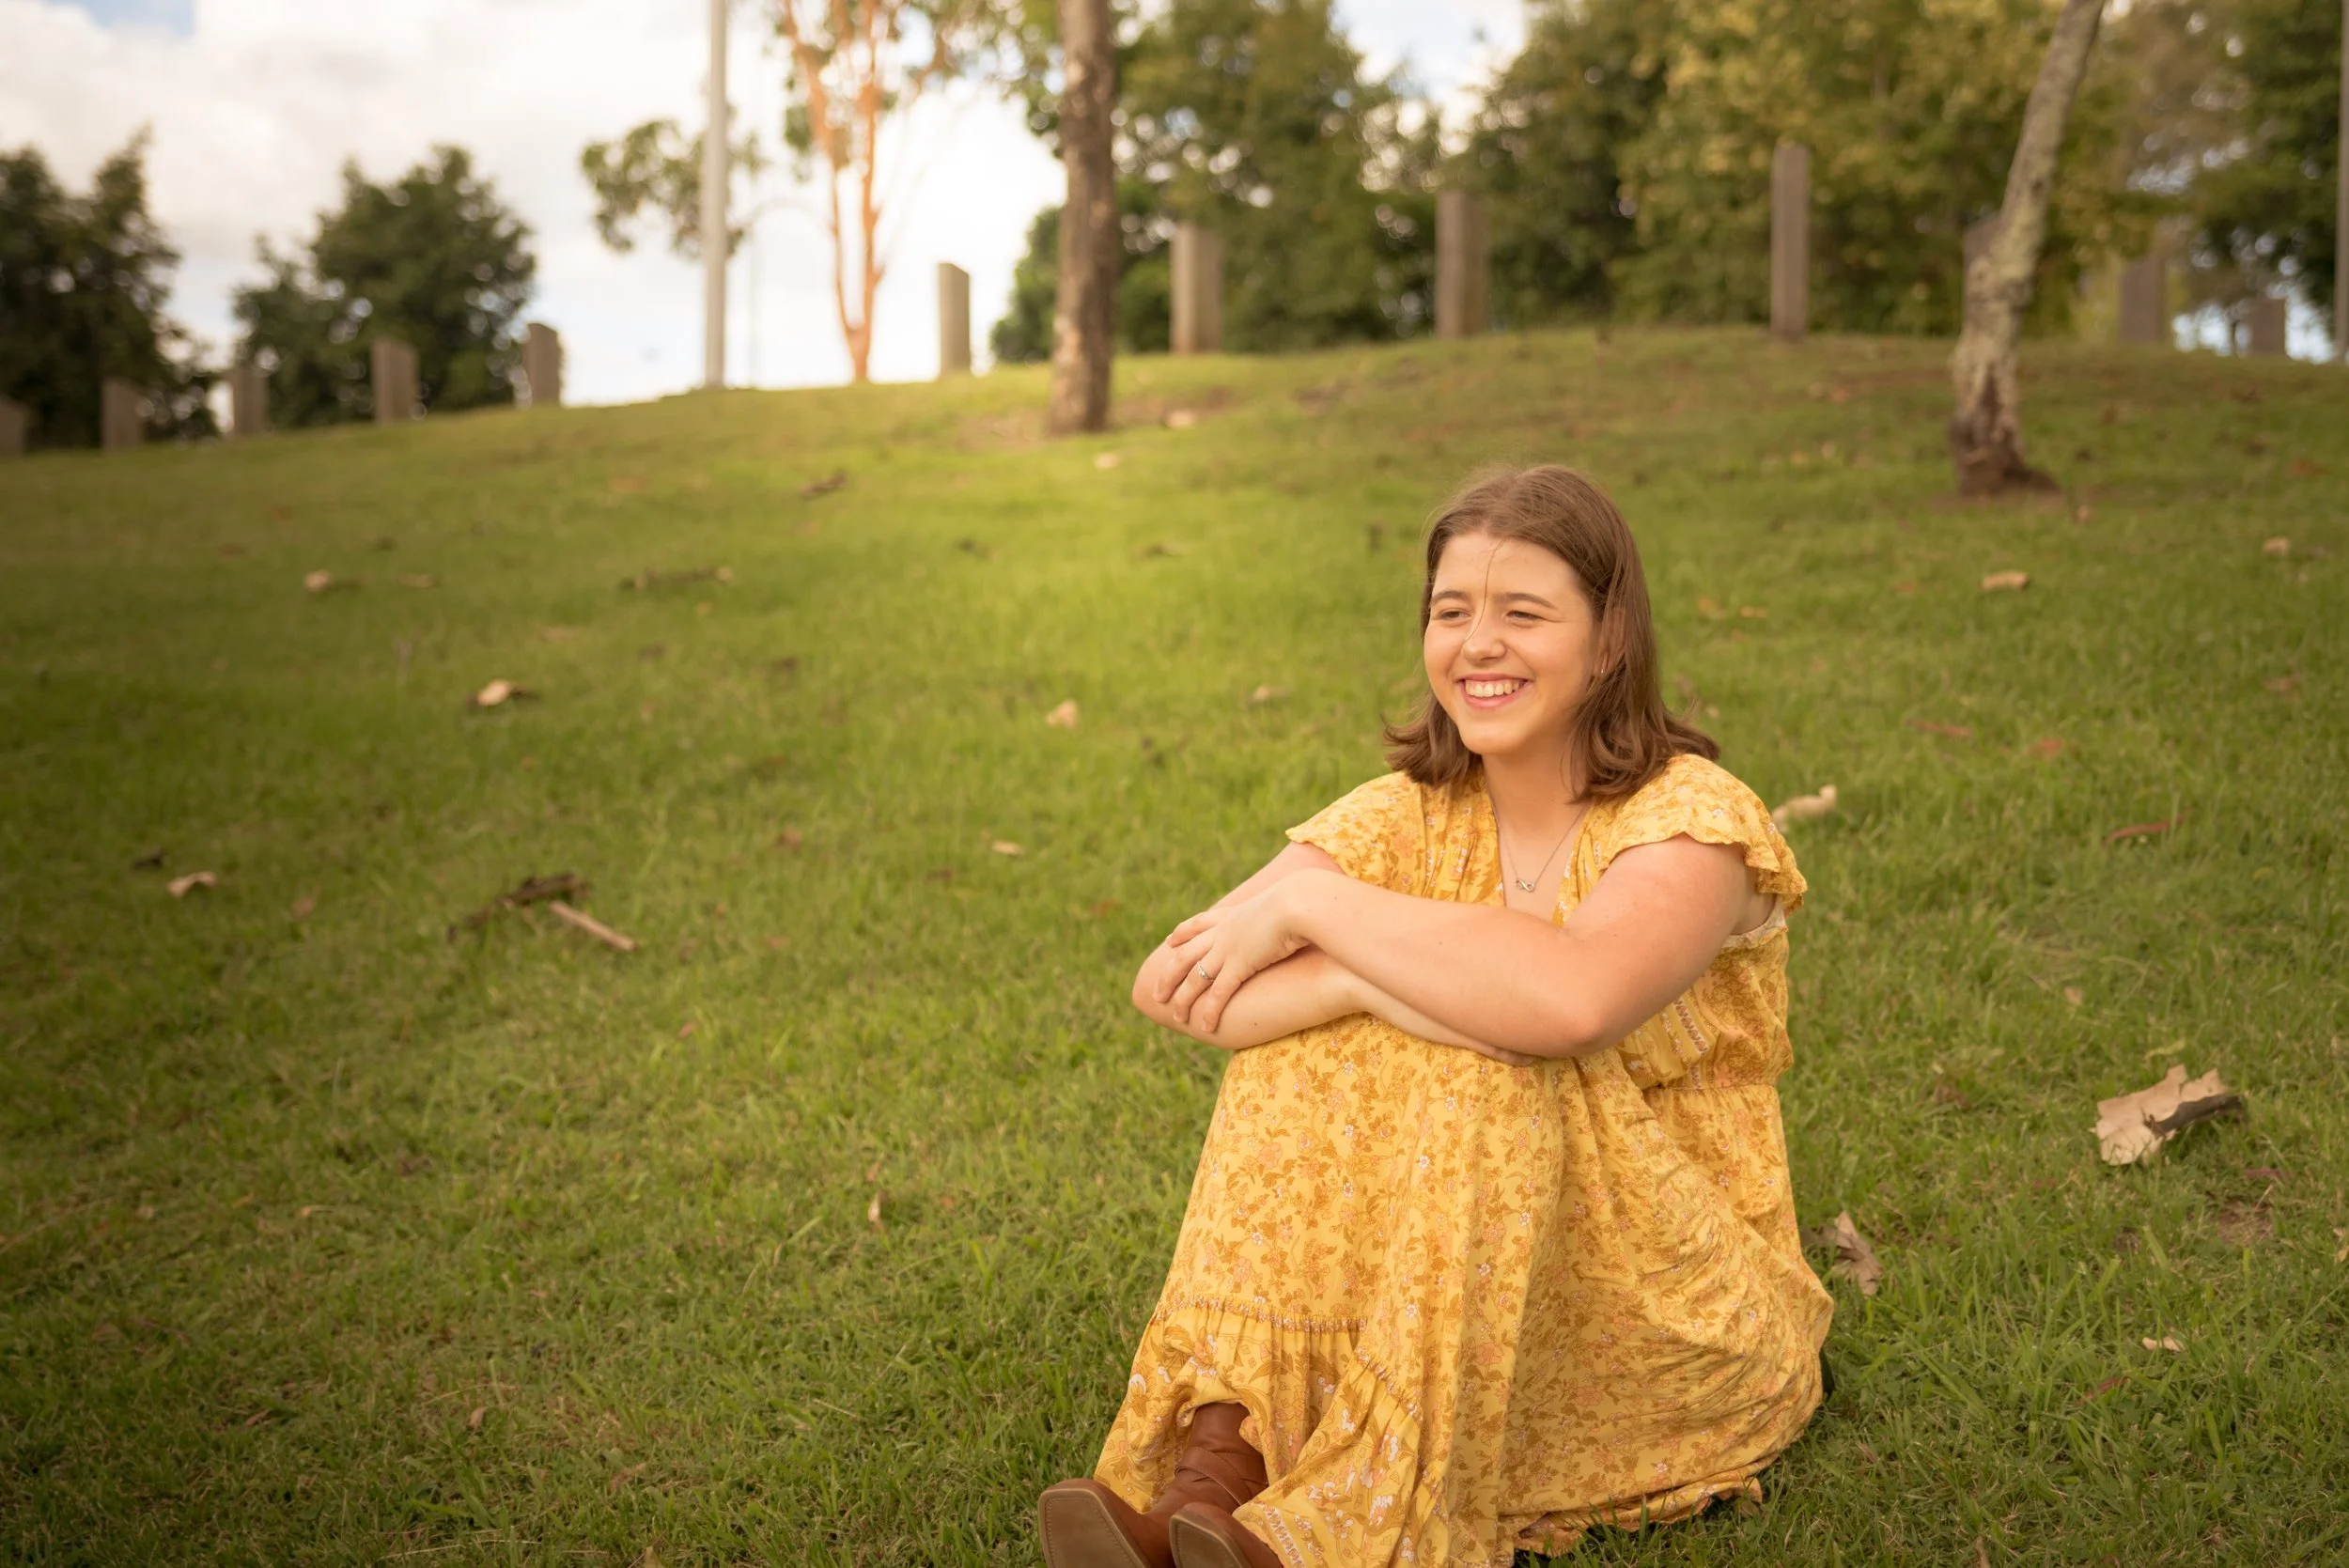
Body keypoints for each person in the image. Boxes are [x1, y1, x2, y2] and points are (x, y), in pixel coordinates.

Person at [1036, 465, 1834, 1568]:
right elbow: (1174, 983)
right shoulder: (1405, 816)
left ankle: (1333, 1533)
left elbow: (1568, 999)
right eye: (1451, 611)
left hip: (1660, 1304)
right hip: (1457, 1261)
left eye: (1523, 613)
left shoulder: (1690, 822)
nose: (1477, 644)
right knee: (1308, 1046)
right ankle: (1218, 1477)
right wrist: (1355, 983)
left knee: (1494, 1057)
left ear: (1608, 640)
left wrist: (1318, 913)